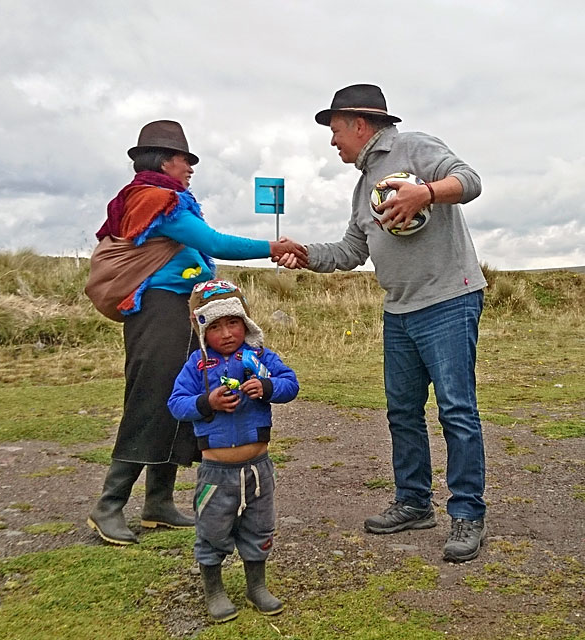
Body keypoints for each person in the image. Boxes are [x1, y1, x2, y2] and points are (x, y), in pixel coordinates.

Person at [279, 84, 487, 563]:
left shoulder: (414, 147)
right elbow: (352, 252)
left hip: (449, 301)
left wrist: (426, 192)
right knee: (402, 412)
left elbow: (470, 180)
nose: (332, 142)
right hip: (399, 311)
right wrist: (305, 254)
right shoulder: (362, 185)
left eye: (334, 131)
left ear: (359, 124)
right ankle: (414, 503)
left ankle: (467, 512)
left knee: (456, 411)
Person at [84, 120, 307, 546]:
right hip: (158, 311)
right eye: (185, 159)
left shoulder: (163, 199)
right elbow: (214, 241)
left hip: (178, 311)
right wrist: (272, 248)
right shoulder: (155, 199)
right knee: (150, 400)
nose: (190, 168)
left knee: (178, 397)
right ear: (164, 160)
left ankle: (158, 505)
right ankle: (108, 506)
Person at [168, 279, 298, 622]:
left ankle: (257, 587)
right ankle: (214, 590)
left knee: (259, 527)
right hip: (216, 471)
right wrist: (206, 402)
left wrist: (267, 386)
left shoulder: (260, 357)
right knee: (212, 530)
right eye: (216, 326)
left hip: (259, 468)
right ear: (202, 331)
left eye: (233, 323)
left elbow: (290, 384)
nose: (226, 333)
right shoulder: (196, 365)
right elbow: (176, 404)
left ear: (246, 323)